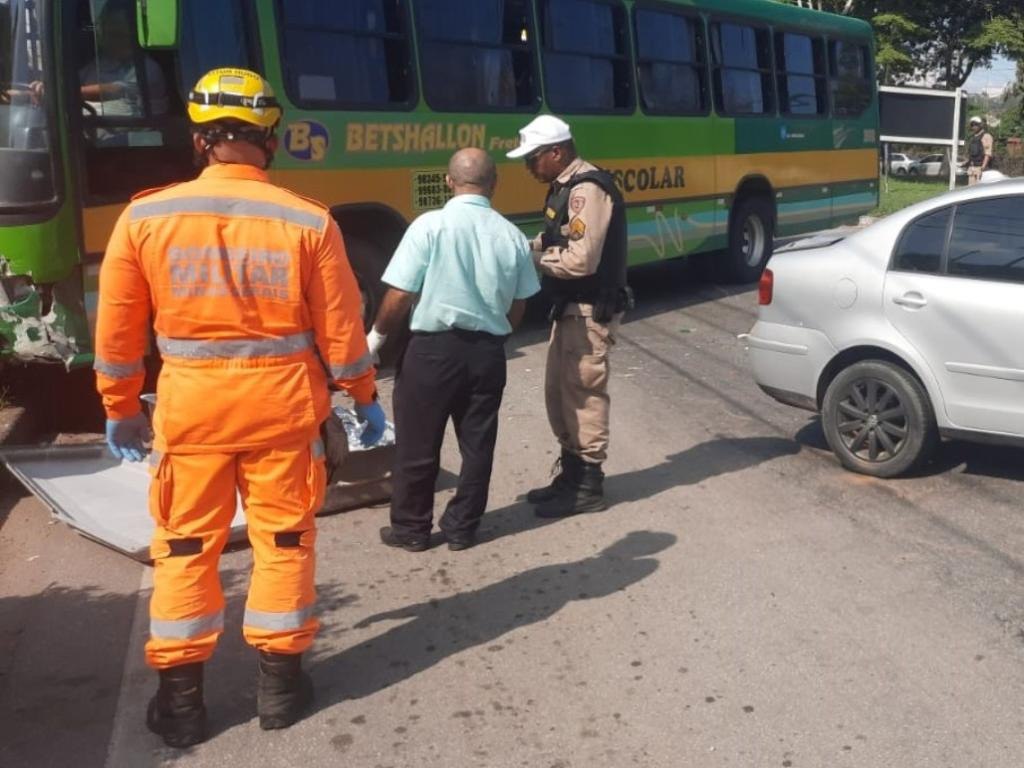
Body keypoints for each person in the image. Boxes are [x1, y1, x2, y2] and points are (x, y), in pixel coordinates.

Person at [93, 67, 387, 747]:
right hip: (283, 415)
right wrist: (364, 398)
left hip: (192, 416)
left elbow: (116, 332)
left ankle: (182, 704)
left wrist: (118, 407)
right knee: (284, 542)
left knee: (186, 546)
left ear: (200, 140)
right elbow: (343, 334)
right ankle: (281, 689)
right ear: (270, 138)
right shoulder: (308, 222)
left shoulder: (144, 218)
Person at [365, 147, 540, 552]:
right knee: (478, 443)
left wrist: (375, 339)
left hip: (432, 352)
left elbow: (400, 293)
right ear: (494, 183)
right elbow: (520, 302)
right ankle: (462, 527)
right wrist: (498, 336)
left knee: (417, 442)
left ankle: (411, 528)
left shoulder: (430, 226)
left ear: (448, 181)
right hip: (487, 354)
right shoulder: (511, 235)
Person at [507, 115, 631, 518]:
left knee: (583, 397)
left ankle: (587, 486)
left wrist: (532, 257)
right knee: (560, 395)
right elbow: (556, 237)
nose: (529, 167)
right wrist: (524, 244)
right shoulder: (563, 188)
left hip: (589, 311)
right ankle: (571, 476)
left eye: (533, 158)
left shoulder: (587, 191)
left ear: (557, 152)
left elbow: (580, 260)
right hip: (569, 310)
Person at [966, 115, 995, 186]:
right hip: (972, 168)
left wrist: (983, 168)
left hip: (980, 168)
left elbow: (988, 153)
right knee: (970, 191)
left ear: (980, 125)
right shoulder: (972, 137)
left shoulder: (986, 136)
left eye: (976, 124)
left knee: (979, 191)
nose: (974, 126)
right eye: (972, 125)